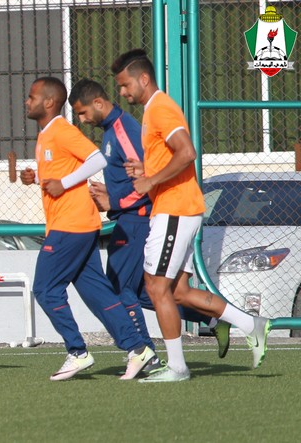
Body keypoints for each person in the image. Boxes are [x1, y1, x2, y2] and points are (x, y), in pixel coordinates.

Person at [111, 49, 270, 382]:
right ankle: (251, 324)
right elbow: (171, 157)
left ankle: (177, 367)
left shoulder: (161, 108)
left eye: (125, 85)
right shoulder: (152, 111)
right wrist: (147, 170)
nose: (122, 92)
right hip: (178, 209)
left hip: (175, 209)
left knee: (155, 287)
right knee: (179, 292)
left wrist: (150, 180)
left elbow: (186, 152)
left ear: (143, 79)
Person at [71, 79, 226, 366]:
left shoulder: (124, 130)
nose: (81, 120)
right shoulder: (111, 131)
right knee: (147, 292)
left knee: (121, 288)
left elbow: (146, 179)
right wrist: (111, 192)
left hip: (138, 219)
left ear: (98, 103)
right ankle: (212, 318)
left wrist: (114, 201)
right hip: (131, 218)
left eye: (82, 112)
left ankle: (145, 353)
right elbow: (134, 177)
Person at [20, 76, 150, 381]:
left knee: (45, 289)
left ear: (48, 102)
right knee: (97, 293)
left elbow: (96, 159)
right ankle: (138, 349)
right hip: (78, 223)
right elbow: (59, 172)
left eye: (32, 97)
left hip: (71, 224)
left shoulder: (61, 130)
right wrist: (36, 177)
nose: (27, 101)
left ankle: (77, 352)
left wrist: (64, 183)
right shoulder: (46, 135)